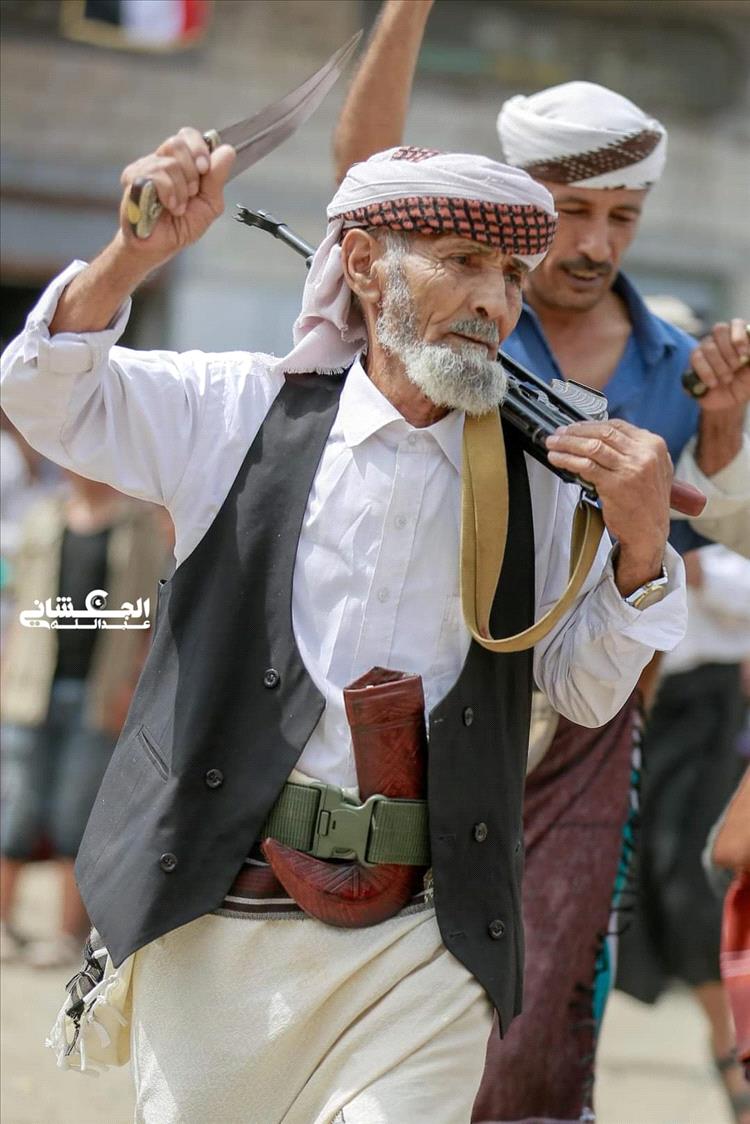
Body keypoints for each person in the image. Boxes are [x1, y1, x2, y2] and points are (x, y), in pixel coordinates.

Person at [1, 136, 687, 1120]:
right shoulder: (238, 409)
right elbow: (41, 394)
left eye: (510, 275)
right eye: (464, 261)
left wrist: (641, 549)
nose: (495, 302)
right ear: (364, 264)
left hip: (423, 943)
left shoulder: (542, 477)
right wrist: (133, 255)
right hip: (218, 917)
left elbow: (583, 690)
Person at [331, 4, 750, 1121]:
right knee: (376, 975)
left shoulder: (684, 365)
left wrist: (719, 444)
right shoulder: (453, 314)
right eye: (570, 213)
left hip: (585, 729)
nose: (597, 244)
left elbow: (699, 546)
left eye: (623, 216)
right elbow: (363, 175)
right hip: (420, 701)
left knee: (544, 1001)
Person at [0, 474, 165, 967]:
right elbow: (20, 606)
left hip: (99, 693)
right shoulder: (43, 519)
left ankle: (65, 935)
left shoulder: (140, 527)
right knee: (15, 808)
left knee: (79, 813)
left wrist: (132, 685)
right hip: (31, 688)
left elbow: (151, 617)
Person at [616, 545, 750, 1124]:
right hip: (630, 697)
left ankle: (732, 1052)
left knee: (691, 881)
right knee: (639, 881)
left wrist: (699, 573)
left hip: (713, 706)